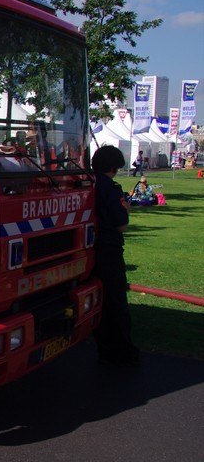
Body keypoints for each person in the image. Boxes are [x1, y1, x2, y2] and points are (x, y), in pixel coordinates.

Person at [91, 145, 140, 366]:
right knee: (116, 302)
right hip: (109, 249)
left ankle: (104, 349)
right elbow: (122, 225)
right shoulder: (111, 188)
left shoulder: (89, 183)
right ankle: (122, 351)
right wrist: (126, 210)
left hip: (91, 248)